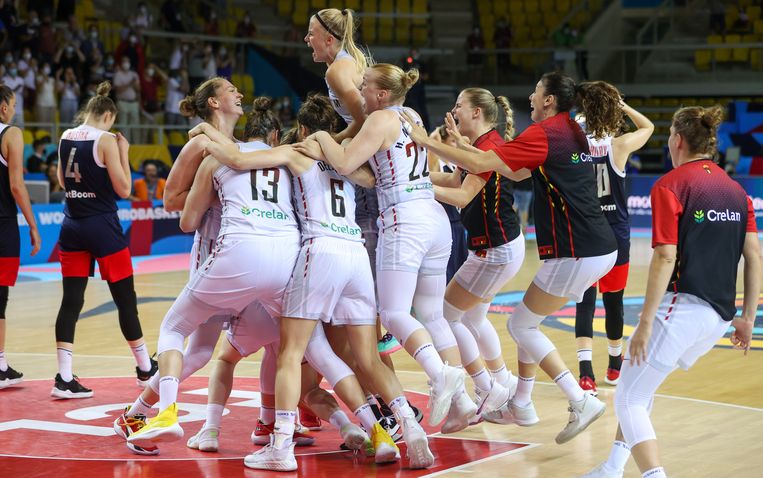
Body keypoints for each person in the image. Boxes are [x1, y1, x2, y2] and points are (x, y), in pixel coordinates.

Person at [195, 94, 410, 471]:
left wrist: (206, 135)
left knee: (282, 356)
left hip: (307, 260)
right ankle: (386, 429)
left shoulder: (295, 154)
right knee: (347, 357)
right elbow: (371, 177)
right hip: (356, 253)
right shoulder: (346, 161)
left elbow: (240, 160)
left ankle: (271, 438)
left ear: (304, 130)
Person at [402, 71, 616, 444]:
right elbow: (509, 169)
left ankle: (578, 399)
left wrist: (425, 142)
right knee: (521, 323)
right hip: (595, 245)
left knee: (521, 326)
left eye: (535, 92)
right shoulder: (570, 129)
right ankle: (520, 402)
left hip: (578, 249)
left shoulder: (545, 133)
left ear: (548, 100)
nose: (529, 98)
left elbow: (485, 162)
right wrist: (454, 146)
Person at [581, 105, 760, 478]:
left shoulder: (672, 185)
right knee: (640, 387)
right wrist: (746, 318)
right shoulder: (737, 191)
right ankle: (612, 468)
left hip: (682, 310)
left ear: (677, 140)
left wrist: (645, 324)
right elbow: (754, 255)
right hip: (717, 320)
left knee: (629, 397)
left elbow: (664, 256)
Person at [300, 63, 473, 433]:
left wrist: (321, 137)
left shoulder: (379, 121)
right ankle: (463, 401)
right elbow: (376, 173)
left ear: (381, 95)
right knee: (432, 312)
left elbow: (345, 162)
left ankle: (440, 374)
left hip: (405, 221)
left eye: (364, 86)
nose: (359, 92)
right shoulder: (411, 115)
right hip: (434, 216)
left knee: (393, 314)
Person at [113, 77, 243, 455]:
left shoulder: (236, 144)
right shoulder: (199, 144)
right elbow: (171, 198)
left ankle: (136, 413)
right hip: (213, 250)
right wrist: (210, 195)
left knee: (202, 352)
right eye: (230, 89)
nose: (238, 93)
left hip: (244, 249)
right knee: (186, 335)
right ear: (215, 103)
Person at [303, 6, 408, 423]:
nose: (307, 40)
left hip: (372, 187)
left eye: (311, 34)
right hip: (380, 183)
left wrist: (330, 145)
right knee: (367, 316)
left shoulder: (335, 72)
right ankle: (391, 405)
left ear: (329, 38)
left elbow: (368, 119)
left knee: (365, 318)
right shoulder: (349, 61)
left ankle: (394, 405)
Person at [52, 81, 157, 399]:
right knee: (126, 299)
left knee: (71, 302)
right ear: (109, 115)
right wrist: (124, 153)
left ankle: (64, 377)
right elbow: (125, 189)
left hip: (71, 225)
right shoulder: (107, 140)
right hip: (103, 228)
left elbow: (60, 179)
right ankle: (144, 368)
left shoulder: (65, 136)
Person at [432, 88, 524, 426]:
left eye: (459, 105)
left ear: (476, 113)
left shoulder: (488, 148)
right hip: (502, 246)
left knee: (446, 316)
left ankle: (486, 389)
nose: (453, 111)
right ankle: (503, 382)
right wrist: (416, 177)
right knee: (472, 319)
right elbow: (454, 177)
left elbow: (460, 195)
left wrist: (415, 189)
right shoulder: (480, 146)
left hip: (496, 249)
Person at [573, 81, 654, 394]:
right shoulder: (618, 145)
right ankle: (615, 364)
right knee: (614, 303)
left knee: (585, 301)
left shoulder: (577, 139)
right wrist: (622, 106)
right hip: (615, 231)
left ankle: (585, 373)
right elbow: (648, 126)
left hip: (585, 229)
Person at [0, 85, 41, 388]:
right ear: (3, 108)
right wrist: (33, 224)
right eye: (12, 104)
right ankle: (0, 365)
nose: (14, 109)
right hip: (2, 224)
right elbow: (16, 185)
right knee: (0, 297)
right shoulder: (11, 134)